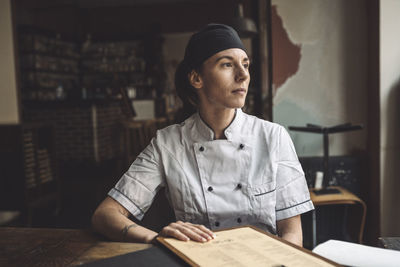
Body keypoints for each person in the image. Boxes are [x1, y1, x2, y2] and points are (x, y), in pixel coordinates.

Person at [92, 24, 314, 247]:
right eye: (227, 64)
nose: (243, 75)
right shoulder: (168, 144)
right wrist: (157, 239)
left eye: (245, 65)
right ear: (197, 79)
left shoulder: (273, 137)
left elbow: (293, 235)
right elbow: (105, 215)